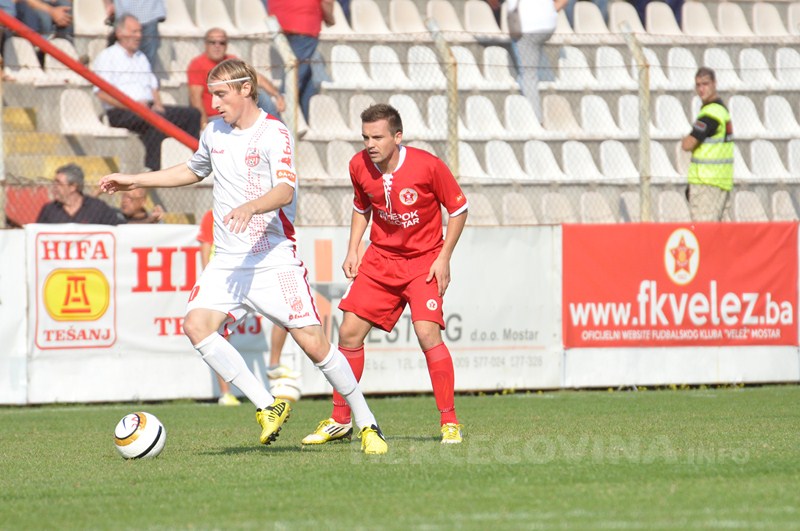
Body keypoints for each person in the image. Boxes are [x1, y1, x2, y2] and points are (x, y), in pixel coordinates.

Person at [98, 58, 387, 454]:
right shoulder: (214, 132)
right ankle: (267, 405)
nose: (214, 103)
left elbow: (285, 191)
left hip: (272, 257)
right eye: (212, 95)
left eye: (220, 94)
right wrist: (135, 179)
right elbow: (193, 170)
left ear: (245, 89)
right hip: (229, 259)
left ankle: (368, 423)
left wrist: (252, 206)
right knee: (196, 325)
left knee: (315, 344)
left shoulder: (274, 133)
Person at [301, 103, 469, 447]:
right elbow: (362, 206)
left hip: (423, 262)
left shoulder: (428, 166)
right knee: (348, 333)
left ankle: (449, 422)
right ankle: (340, 420)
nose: (370, 144)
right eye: (365, 137)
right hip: (381, 260)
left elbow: (459, 208)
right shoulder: (358, 166)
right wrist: (353, 248)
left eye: (377, 137)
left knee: (427, 334)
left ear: (397, 136)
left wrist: (444, 257)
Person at [197, 209, 297, 405]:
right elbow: (205, 247)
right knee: (218, 336)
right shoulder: (212, 214)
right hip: (225, 280)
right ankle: (226, 394)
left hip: (255, 274)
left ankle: (273, 365)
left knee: (287, 313)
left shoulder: (256, 210)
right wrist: (207, 278)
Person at [92, 14, 200, 172]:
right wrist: (132, 106)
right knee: (154, 120)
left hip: (147, 108)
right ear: (120, 33)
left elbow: (152, 85)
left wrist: (157, 104)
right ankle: (152, 169)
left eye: (139, 31)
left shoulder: (141, 57)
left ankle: (197, 163)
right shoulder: (107, 57)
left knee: (192, 115)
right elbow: (101, 93)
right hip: (121, 111)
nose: (139, 36)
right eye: (134, 32)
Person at [187, 28, 285, 129]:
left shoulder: (231, 61)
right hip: (216, 116)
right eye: (213, 42)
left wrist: (277, 95)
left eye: (222, 43)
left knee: (261, 95)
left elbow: (256, 78)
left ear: (226, 45)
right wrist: (204, 125)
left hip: (238, 111)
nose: (217, 46)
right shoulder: (197, 65)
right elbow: (195, 98)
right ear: (206, 44)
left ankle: (278, 129)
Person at [267, 0, 335, 122]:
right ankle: (280, 121)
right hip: (304, 25)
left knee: (306, 78)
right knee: (293, 78)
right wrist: (330, 19)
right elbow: (327, 1)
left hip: (278, 22)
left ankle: (308, 121)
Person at [681, 67, 733, 222]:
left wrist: (685, 139)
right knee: (720, 235)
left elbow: (688, 144)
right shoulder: (722, 110)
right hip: (721, 181)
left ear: (714, 84)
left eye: (705, 84)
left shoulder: (710, 114)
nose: (701, 89)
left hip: (706, 183)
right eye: (698, 85)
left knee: (704, 234)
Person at [506, 0, 567, 123]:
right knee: (531, 67)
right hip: (548, 24)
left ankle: (534, 120)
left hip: (527, 25)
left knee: (528, 75)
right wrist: (548, 12)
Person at [37, 163, 127, 225]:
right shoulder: (49, 210)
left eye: (58, 183)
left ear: (73, 187)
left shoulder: (97, 208)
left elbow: (117, 231)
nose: (54, 186)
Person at [103, 0, 165, 75]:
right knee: (117, 61)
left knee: (146, 68)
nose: (138, 35)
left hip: (149, 14)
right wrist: (109, 4)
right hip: (124, 15)